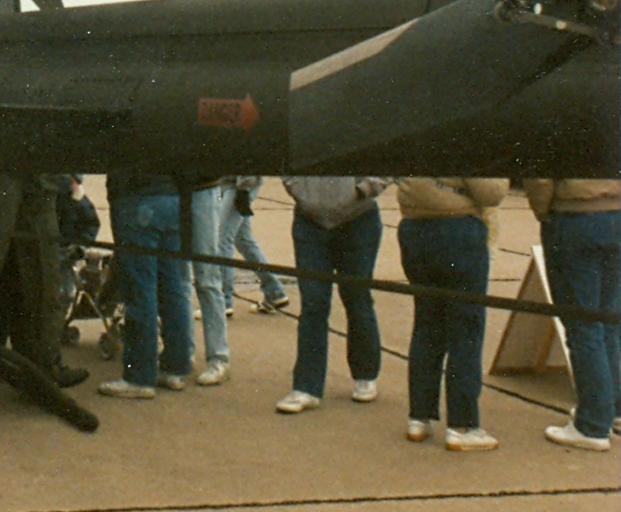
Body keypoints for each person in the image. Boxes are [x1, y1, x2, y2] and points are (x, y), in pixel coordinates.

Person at [396, 177, 509, 451]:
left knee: (427, 324)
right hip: (457, 228)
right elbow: (489, 192)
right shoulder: (465, 135)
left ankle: (419, 417)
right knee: (466, 330)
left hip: (414, 226)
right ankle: (463, 424)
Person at [276, 176, 390, 413]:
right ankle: (307, 386)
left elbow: (391, 161)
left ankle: (365, 374)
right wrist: (298, 189)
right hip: (310, 221)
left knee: (357, 298)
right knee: (313, 303)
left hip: (359, 219)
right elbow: (285, 157)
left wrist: (364, 189)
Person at [525, 178, 621, 451]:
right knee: (609, 321)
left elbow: (540, 177)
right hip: (616, 212)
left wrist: (544, 212)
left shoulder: (560, 131)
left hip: (574, 216)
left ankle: (592, 423)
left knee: (583, 326)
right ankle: (613, 407)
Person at [0, 176, 89, 389]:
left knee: (3, 271)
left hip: (5, 188)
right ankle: (47, 365)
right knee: (43, 280)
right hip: (35, 192)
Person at [98, 172, 192, 398]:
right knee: (171, 286)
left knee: (139, 290)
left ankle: (139, 375)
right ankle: (175, 365)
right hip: (168, 195)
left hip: (135, 196)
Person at [217, 177, 289, 315]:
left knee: (222, 240)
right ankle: (274, 292)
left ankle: (221, 301)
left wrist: (244, 187)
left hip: (239, 185)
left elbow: (249, 158)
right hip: (232, 183)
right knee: (243, 240)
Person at [54, 174, 100, 336]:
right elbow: (91, 225)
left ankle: (56, 325)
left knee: (64, 292)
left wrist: (80, 247)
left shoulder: (79, 201)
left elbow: (91, 225)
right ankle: (55, 325)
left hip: (66, 252)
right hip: (61, 250)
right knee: (62, 292)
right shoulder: (77, 200)